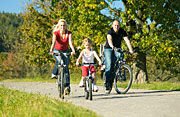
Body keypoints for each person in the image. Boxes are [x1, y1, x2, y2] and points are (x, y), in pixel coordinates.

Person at [104, 20, 134, 93]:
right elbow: (109, 39)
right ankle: (107, 83)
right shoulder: (110, 31)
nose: (116, 27)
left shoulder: (122, 31)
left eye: (117, 25)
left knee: (121, 56)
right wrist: (112, 46)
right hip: (109, 48)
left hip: (117, 48)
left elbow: (127, 40)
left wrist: (131, 50)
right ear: (112, 25)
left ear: (119, 26)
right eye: (115, 25)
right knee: (109, 64)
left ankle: (119, 70)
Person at [49, 19, 76, 94]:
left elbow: (70, 42)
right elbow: (53, 42)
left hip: (66, 51)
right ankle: (54, 73)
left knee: (66, 67)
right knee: (59, 60)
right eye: (61, 25)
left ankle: (67, 86)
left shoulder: (69, 33)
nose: (62, 27)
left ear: (66, 26)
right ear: (58, 26)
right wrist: (51, 50)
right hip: (56, 50)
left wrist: (73, 50)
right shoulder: (56, 33)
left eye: (64, 25)